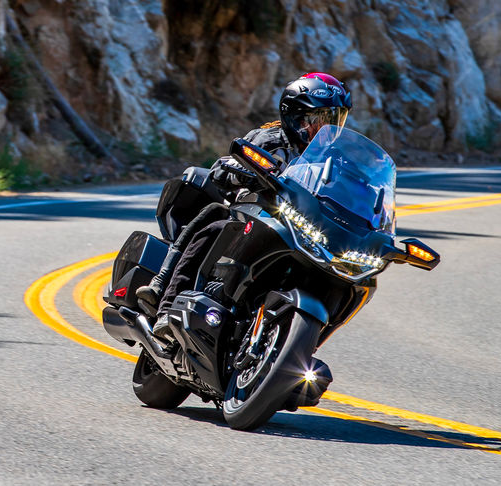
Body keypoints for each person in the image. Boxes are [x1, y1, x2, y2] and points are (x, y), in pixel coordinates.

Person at [138, 72, 353, 338]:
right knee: (216, 217)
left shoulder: (337, 160)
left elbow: (351, 195)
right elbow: (221, 169)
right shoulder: (268, 140)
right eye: (321, 120)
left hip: (299, 233)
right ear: (296, 117)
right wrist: (241, 172)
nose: (329, 129)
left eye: (336, 120)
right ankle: (164, 295)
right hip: (254, 219)